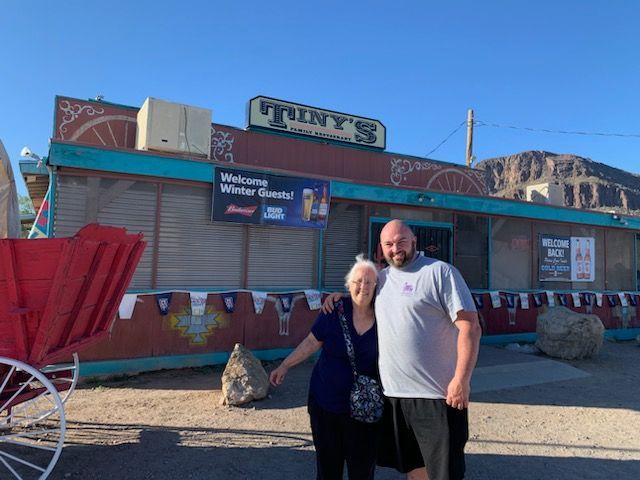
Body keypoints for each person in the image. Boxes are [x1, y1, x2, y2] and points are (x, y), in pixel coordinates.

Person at [324, 219, 481, 480]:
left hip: (438, 396)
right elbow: (359, 298)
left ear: (414, 241)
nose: (395, 248)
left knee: (444, 472)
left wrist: (461, 380)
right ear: (381, 248)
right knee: (413, 468)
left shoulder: (440, 272)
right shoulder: (381, 280)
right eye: (389, 244)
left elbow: (470, 327)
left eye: (401, 242)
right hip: (395, 396)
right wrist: (338, 298)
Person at [270, 254, 380, 480]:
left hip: (364, 411)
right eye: (358, 281)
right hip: (326, 405)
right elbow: (312, 342)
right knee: (328, 469)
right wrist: (285, 365)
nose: (363, 287)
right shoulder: (334, 311)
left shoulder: (385, 317)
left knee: (362, 471)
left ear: (376, 286)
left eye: (369, 282)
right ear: (348, 285)